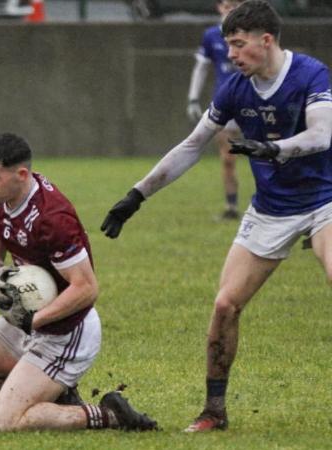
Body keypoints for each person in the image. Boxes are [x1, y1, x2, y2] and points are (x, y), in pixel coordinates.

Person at [100, 0, 332, 432]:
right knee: (225, 305)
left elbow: (321, 135)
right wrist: (137, 195)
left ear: (266, 40)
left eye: (239, 45)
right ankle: (214, 412)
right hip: (271, 209)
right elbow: (192, 145)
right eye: (228, 46)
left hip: (325, 199)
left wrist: (274, 149)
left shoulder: (310, 73)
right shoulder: (234, 89)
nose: (231, 55)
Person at [0, 133, 158, 433]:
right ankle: (54, 393)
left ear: (22, 174)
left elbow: (87, 288)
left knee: (3, 422)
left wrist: (35, 319)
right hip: (27, 322)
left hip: (67, 334)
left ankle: (110, 415)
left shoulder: (52, 219)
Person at [186, 0, 244, 220]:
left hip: (254, 102)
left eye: (237, 5)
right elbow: (201, 67)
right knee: (228, 157)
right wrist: (193, 98)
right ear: (220, 7)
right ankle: (232, 207)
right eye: (228, 5)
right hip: (226, 104)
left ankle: (278, 206)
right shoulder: (211, 35)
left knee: (269, 155)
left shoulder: (254, 33)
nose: (232, 10)